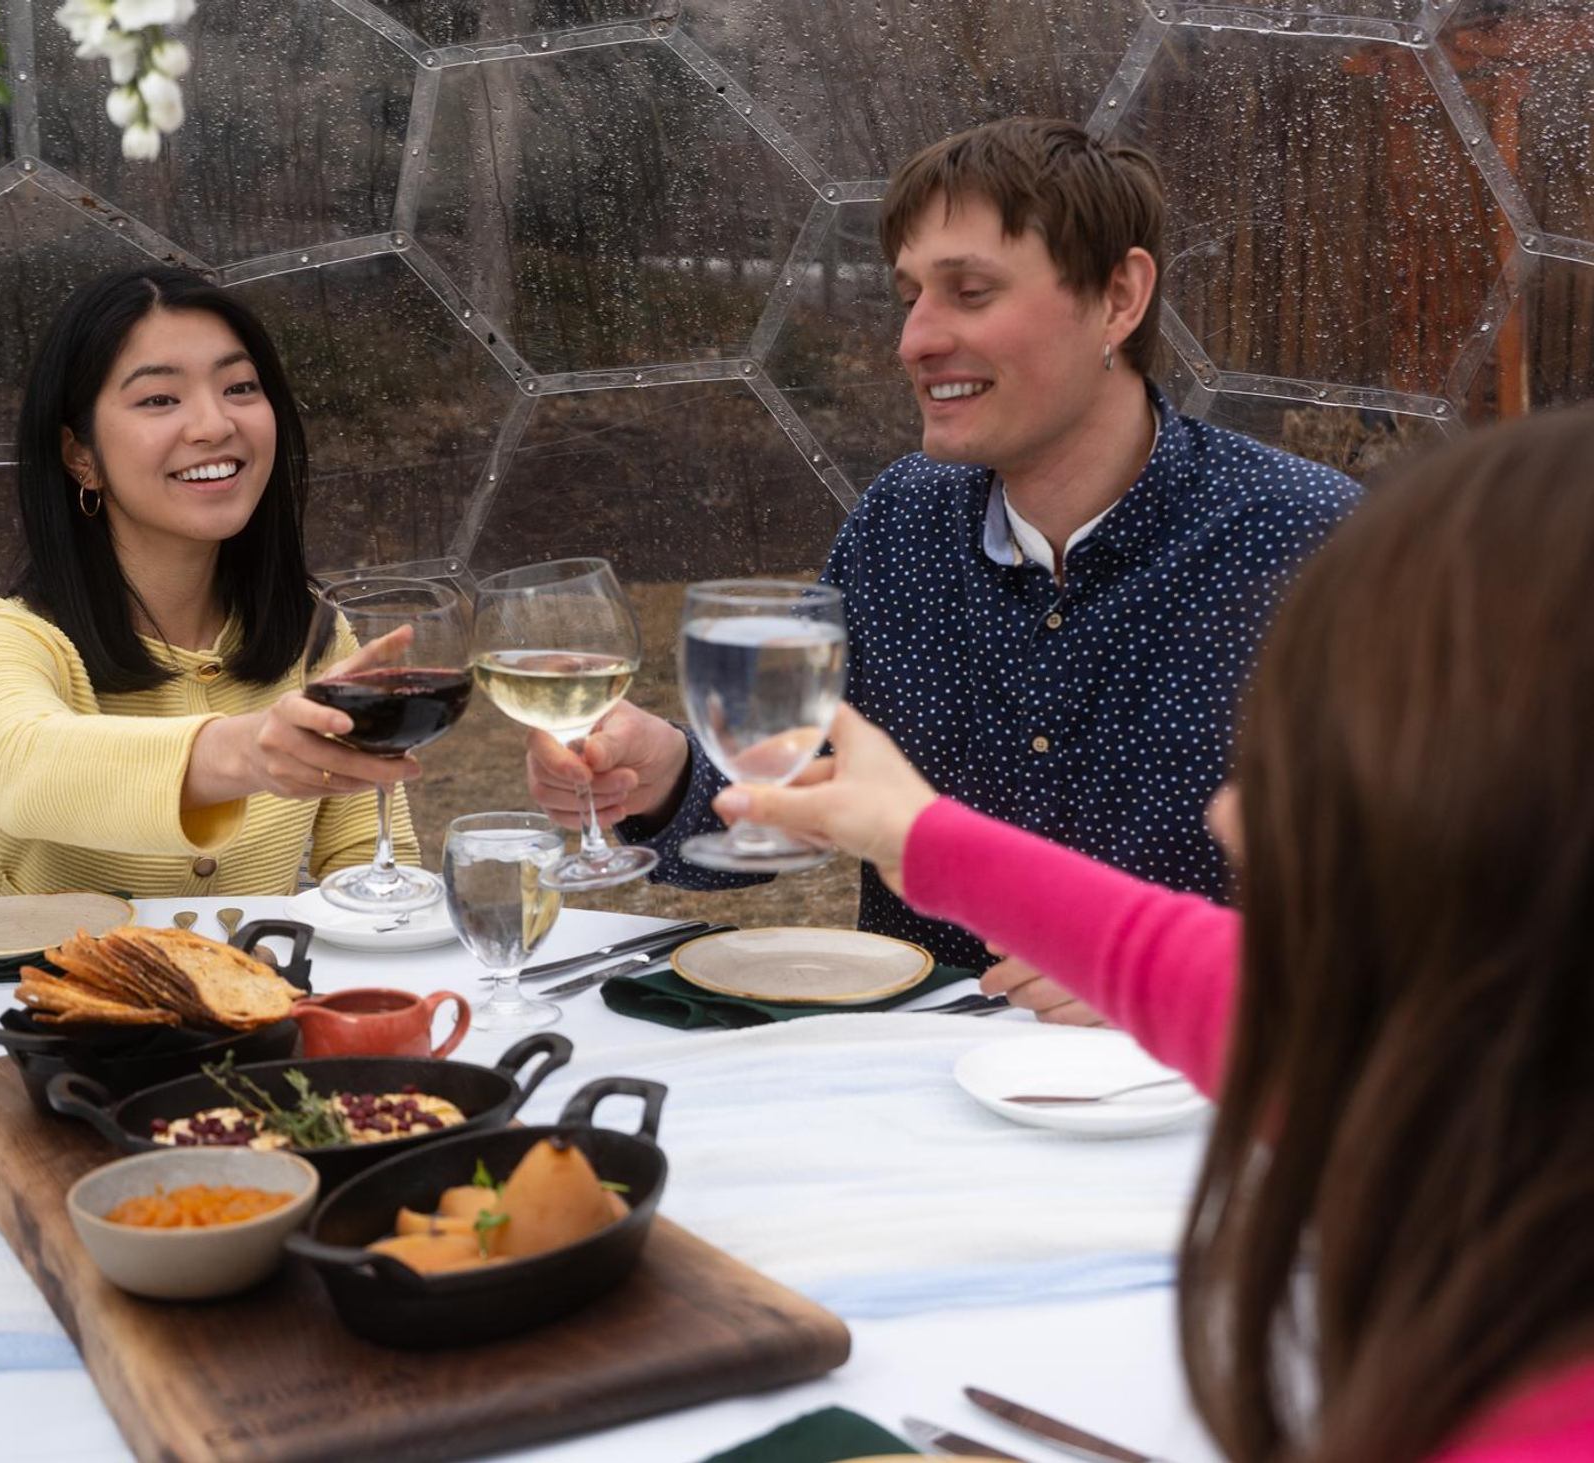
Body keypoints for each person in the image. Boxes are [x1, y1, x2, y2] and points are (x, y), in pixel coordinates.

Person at [706, 407, 1594, 1463]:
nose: (1228, 819)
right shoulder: (1473, 1073)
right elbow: (1169, 959)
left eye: (1318, 755)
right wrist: (918, 836)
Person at [524, 117, 1359, 1022]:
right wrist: (668, 777)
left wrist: (1181, 969)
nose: (914, 340)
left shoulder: (1312, 546)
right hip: (916, 1090)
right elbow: (801, 781)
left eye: (969, 291)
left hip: (1200, 1108)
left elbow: (1452, 912)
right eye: (912, 295)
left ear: (1119, 297)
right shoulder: (899, 524)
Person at [0, 266, 419, 899]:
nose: (214, 425)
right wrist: (246, 753)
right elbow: (22, 767)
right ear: (82, 456)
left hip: (256, 997)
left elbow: (371, 862)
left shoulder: (312, 633)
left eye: (240, 387)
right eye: (159, 398)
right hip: (16, 998)